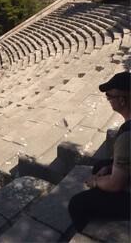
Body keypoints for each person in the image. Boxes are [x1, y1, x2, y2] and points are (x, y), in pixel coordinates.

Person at [68, 71, 131, 232]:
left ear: (122, 100)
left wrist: (95, 182)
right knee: (101, 166)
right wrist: (109, 167)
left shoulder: (126, 136)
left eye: (109, 96)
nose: (108, 99)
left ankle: (87, 235)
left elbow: (116, 184)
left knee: (76, 205)